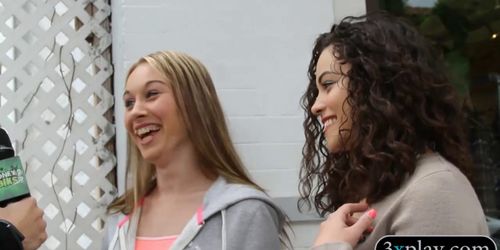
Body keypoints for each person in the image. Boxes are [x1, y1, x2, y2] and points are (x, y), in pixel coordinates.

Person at [299, 13, 489, 250]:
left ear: (374, 86)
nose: (315, 106)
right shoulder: (385, 188)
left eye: (328, 85)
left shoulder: (433, 193)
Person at [102, 51, 288, 250]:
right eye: (129, 103)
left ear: (194, 104)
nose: (136, 111)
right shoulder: (120, 218)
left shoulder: (246, 212)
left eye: (152, 94)